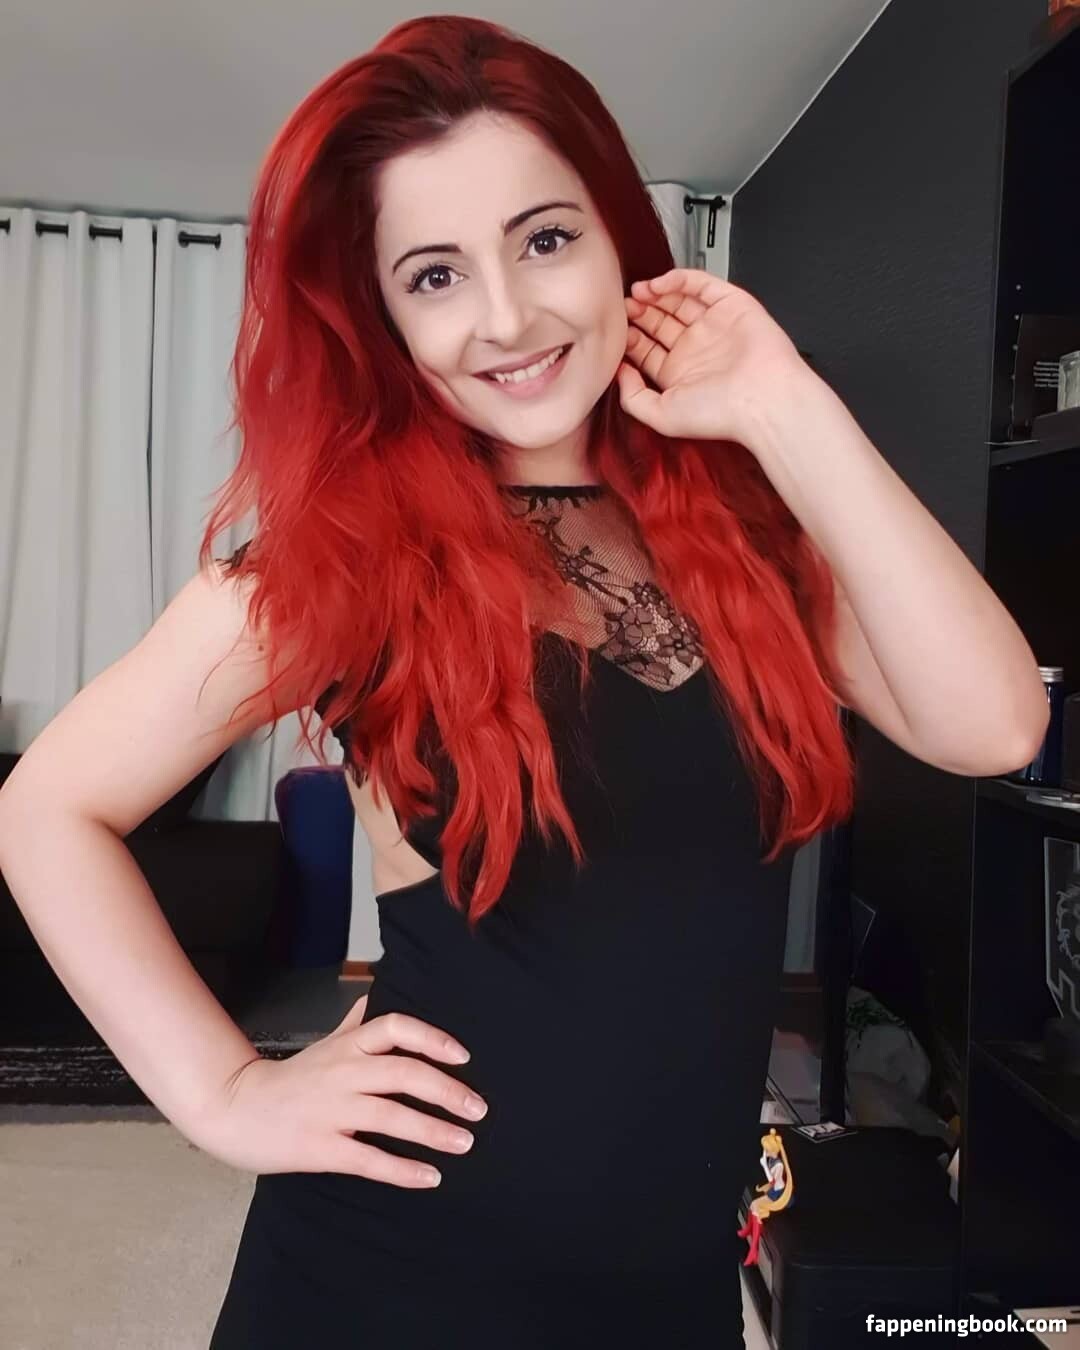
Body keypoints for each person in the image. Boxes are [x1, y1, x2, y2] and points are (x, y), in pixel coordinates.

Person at [0, 15, 1049, 1350]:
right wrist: (224, 1091)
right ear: (384, 316)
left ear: (620, 240)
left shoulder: (756, 528)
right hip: (390, 1275)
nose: (505, 317)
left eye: (545, 240)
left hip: (668, 1282)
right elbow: (49, 807)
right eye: (434, 274)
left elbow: (995, 722)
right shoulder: (344, 564)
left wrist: (785, 404)